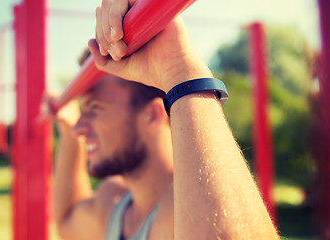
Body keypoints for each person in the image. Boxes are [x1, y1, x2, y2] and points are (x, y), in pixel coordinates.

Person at [47, 0, 279, 239]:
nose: (79, 127)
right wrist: (67, 134)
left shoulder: (178, 210)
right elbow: (67, 222)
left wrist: (178, 69)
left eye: (94, 109)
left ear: (152, 114)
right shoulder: (114, 204)